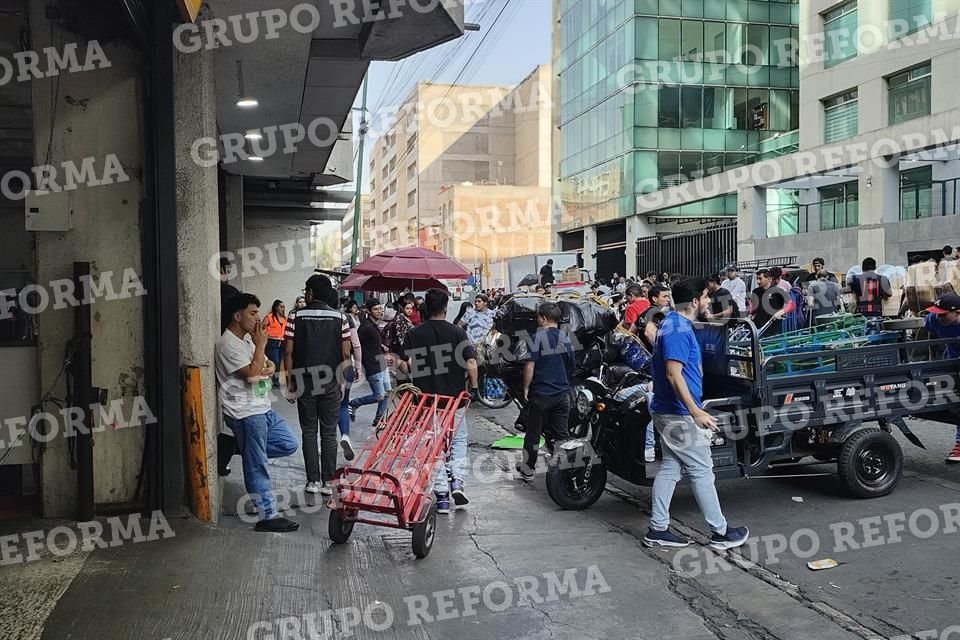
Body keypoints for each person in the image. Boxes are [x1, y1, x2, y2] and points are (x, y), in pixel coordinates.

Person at [644, 278, 749, 550]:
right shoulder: (678, 329)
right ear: (694, 301)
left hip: (667, 410)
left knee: (670, 467)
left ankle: (657, 528)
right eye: (704, 297)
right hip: (679, 413)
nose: (707, 302)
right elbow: (672, 373)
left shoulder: (672, 322)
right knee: (702, 470)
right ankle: (720, 533)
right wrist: (695, 411)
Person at [216, 293, 299, 532]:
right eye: (252, 313)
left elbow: (265, 365)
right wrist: (262, 346)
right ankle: (268, 515)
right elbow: (253, 374)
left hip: (262, 407)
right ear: (237, 315)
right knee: (257, 462)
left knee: (288, 444)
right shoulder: (227, 345)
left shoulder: (247, 340)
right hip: (245, 412)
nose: (257, 318)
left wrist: (267, 361)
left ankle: (232, 446)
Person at [398, 288, 478, 514]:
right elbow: (471, 363)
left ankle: (441, 497)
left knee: (432, 447)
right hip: (455, 401)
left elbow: (405, 365)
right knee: (459, 441)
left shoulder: (415, 333)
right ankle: (458, 483)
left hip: (426, 402)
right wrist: (473, 387)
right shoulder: (457, 333)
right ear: (445, 308)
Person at [284, 275, 352, 496]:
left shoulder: (295, 316)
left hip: (304, 382)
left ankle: (312, 481)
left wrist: (290, 382)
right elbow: (345, 352)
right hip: (331, 381)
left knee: (309, 432)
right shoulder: (340, 317)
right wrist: (342, 381)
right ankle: (328, 482)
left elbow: (288, 351)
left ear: (311, 292)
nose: (305, 294)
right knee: (329, 433)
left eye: (306, 290)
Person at [515, 302, 575, 479]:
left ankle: (528, 468)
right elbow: (572, 365)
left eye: (538, 317)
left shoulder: (537, 337)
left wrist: (525, 387)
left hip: (541, 394)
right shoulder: (567, 338)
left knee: (533, 433)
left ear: (543, 318)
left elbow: (529, 365)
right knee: (562, 434)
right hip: (562, 394)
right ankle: (564, 471)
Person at [923, 293, 960, 463]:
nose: (939, 317)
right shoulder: (933, 320)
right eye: (937, 312)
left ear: (957, 312)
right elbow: (930, 334)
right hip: (952, 358)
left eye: (943, 314)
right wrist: (932, 361)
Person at [349, 299, 392, 426]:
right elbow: (356, 345)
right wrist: (359, 365)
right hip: (372, 366)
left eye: (380, 309)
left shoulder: (374, 325)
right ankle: (354, 403)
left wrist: (381, 346)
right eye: (376, 309)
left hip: (381, 364)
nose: (379, 311)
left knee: (387, 393)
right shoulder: (365, 327)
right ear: (368, 311)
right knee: (379, 396)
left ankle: (379, 419)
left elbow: (371, 343)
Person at [337, 299, 362, 461]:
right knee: (343, 404)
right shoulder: (346, 318)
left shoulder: (321, 318)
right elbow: (356, 345)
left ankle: (325, 442)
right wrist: (358, 366)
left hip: (323, 369)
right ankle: (345, 435)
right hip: (345, 367)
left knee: (325, 407)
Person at [750, 268, 787, 335]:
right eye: (757, 279)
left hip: (773, 328)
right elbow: (754, 308)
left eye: (760, 279)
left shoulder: (778, 291)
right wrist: (752, 315)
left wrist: (781, 313)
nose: (758, 281)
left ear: (769, 279)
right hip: (758, 327)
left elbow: (790, 306)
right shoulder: (755, 292)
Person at [262, 300, 287, 387]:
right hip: (272, 342)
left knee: (279, 362)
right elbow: (262, 327)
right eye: (281, 306)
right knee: (274, 362)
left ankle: (276, 381)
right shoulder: (269, 317)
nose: (283, 309)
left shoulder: (284, 318)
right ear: (276, 307)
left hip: (282, 342)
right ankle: (270, 380)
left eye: (284, 307)